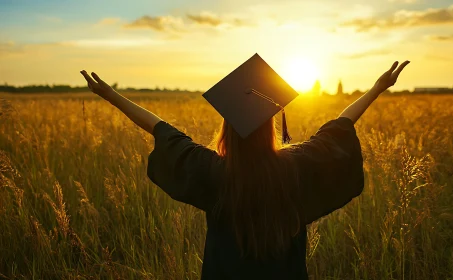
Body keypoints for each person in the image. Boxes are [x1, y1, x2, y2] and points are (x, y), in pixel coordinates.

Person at [80, 54, 409, 279]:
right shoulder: (297, 165)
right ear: (269, 128)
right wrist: (376, 89)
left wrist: (110, 95)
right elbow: (339, 126)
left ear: (228, 131)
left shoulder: (212, 170)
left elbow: (160, 129)